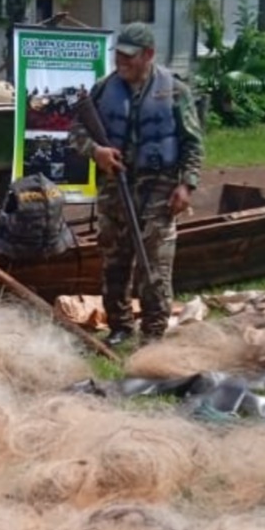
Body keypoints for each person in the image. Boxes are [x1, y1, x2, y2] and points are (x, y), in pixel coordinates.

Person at [69, 22, 204, 347]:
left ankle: (154, 332)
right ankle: (120, 326)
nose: (121, 61)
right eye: (119, 54)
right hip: (115, 188)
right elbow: (76, 132)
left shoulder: (175, 91)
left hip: (159, 189)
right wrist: (96, 152)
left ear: (149, 55)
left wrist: (187, 186)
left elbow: (193, 144)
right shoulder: (102, 90)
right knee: (115, 261)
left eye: (129, 56)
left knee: (154, 263)